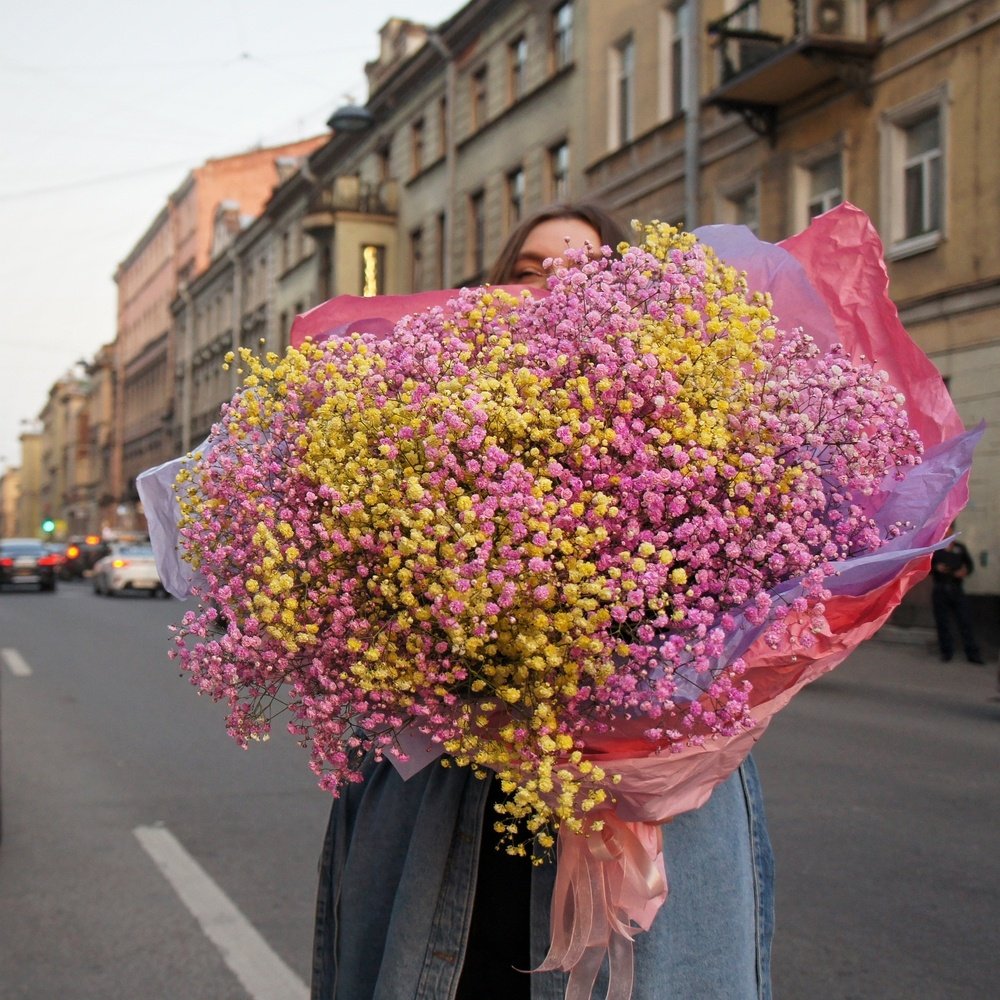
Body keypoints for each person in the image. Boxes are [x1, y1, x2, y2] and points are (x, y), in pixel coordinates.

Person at [311, 204, 774, 1000]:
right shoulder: (422, 426)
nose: (550, 291)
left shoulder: (706, 436)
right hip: (452, 805)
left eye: (585, 273)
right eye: (527, 272)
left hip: (633, 806)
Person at [931, 532, 984, 664]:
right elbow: (927, 567)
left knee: (965, 621)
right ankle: (946, 652)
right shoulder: (937, 548)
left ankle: (972, 654)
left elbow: (969, 566)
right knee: (943, 623)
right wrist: (936, 568)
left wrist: (964, 571)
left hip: (956, 589)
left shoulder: (960, 548)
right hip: (941, 588)